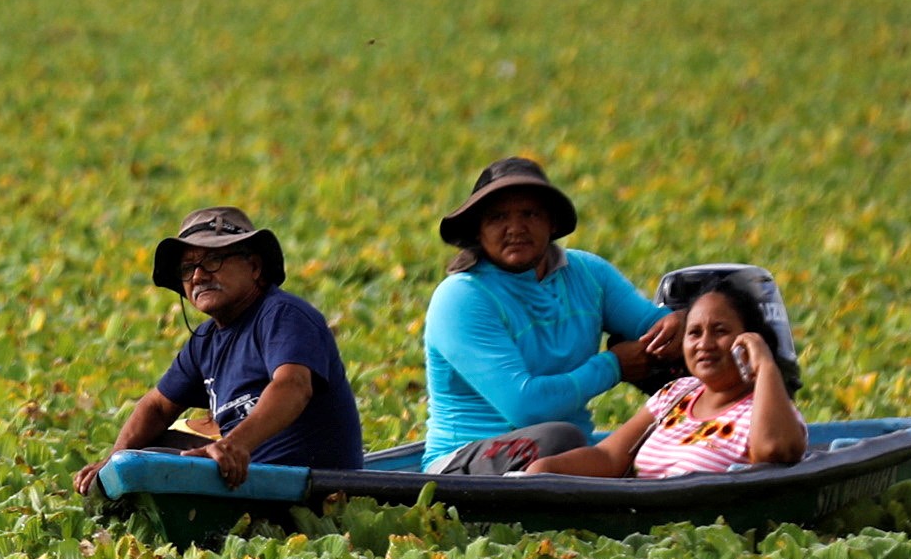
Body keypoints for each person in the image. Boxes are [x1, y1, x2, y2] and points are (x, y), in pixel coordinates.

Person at [418, 157, 683, 477]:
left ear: (552, 223)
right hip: (466, 460)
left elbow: (652, 327)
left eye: (530, 214)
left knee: (673, 428)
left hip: (565, 453)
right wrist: (613, 366)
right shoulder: (462, 297)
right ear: (478, 231)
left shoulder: (588, 273)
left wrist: (677, 327)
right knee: (559, 436)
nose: (515, 228)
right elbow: (525, 407)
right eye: (499, 217)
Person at [75, 206, 363, 495]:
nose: (198, 276)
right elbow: (157, 406)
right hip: (242, 479)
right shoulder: (205, 339)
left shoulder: (282, 315)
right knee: (150, 450)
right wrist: (112, 460)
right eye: (188, 268)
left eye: (213, 259)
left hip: (306, 485)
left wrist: (233, 445)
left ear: (254, 267)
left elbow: (293, 385)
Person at [519, 271, 806, 478]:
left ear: (749, 340)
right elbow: (608, 457)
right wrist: (545, 470)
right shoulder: (677, 393)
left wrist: (765, 364)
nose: (704, 344)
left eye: (720, 331)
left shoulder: (766, 410)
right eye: (694, 333)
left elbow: (774, 451)